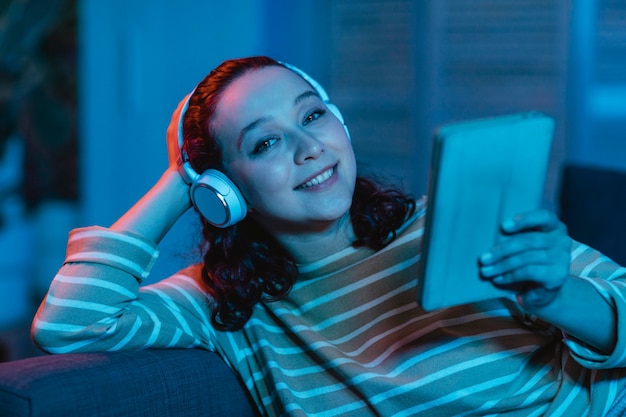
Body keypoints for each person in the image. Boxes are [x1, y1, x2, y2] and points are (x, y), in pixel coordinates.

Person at [32, 55, 626, 416]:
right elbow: (70, 323)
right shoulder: (224, 307)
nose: (308, 146)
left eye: (312, 114)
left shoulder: (440, 222)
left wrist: (555, 298)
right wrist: (177, 178)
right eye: (265, 142)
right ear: (224, 191)